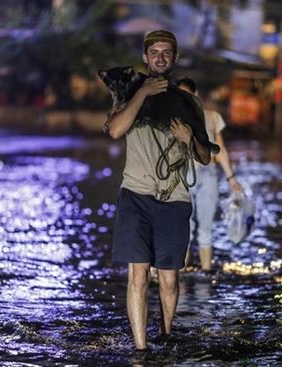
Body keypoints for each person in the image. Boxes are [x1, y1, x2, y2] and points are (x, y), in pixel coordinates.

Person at [104, 30, 212, 351]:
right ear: (145, 58)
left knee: (168, 279)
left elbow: (205, 157)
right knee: (137, 276)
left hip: (174, 199)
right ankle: (140, 350)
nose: (160, 57)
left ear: (174, 58)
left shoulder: (189, 103)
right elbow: (114, 130)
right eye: (155, 52)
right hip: (135, 195)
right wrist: (143, 94)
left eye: (167, 52)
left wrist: (188, 139)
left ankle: (166, 336)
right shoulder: (128, 92)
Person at [176, 77, 242, 272]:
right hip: (183, 175)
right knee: (184, 229)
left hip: (208, 175)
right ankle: (180, 274)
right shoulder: (174, 122)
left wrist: (231, 178)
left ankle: (205, 273)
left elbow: (220, 148)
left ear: (195, 95)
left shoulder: (212, 117)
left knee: (206, 227)